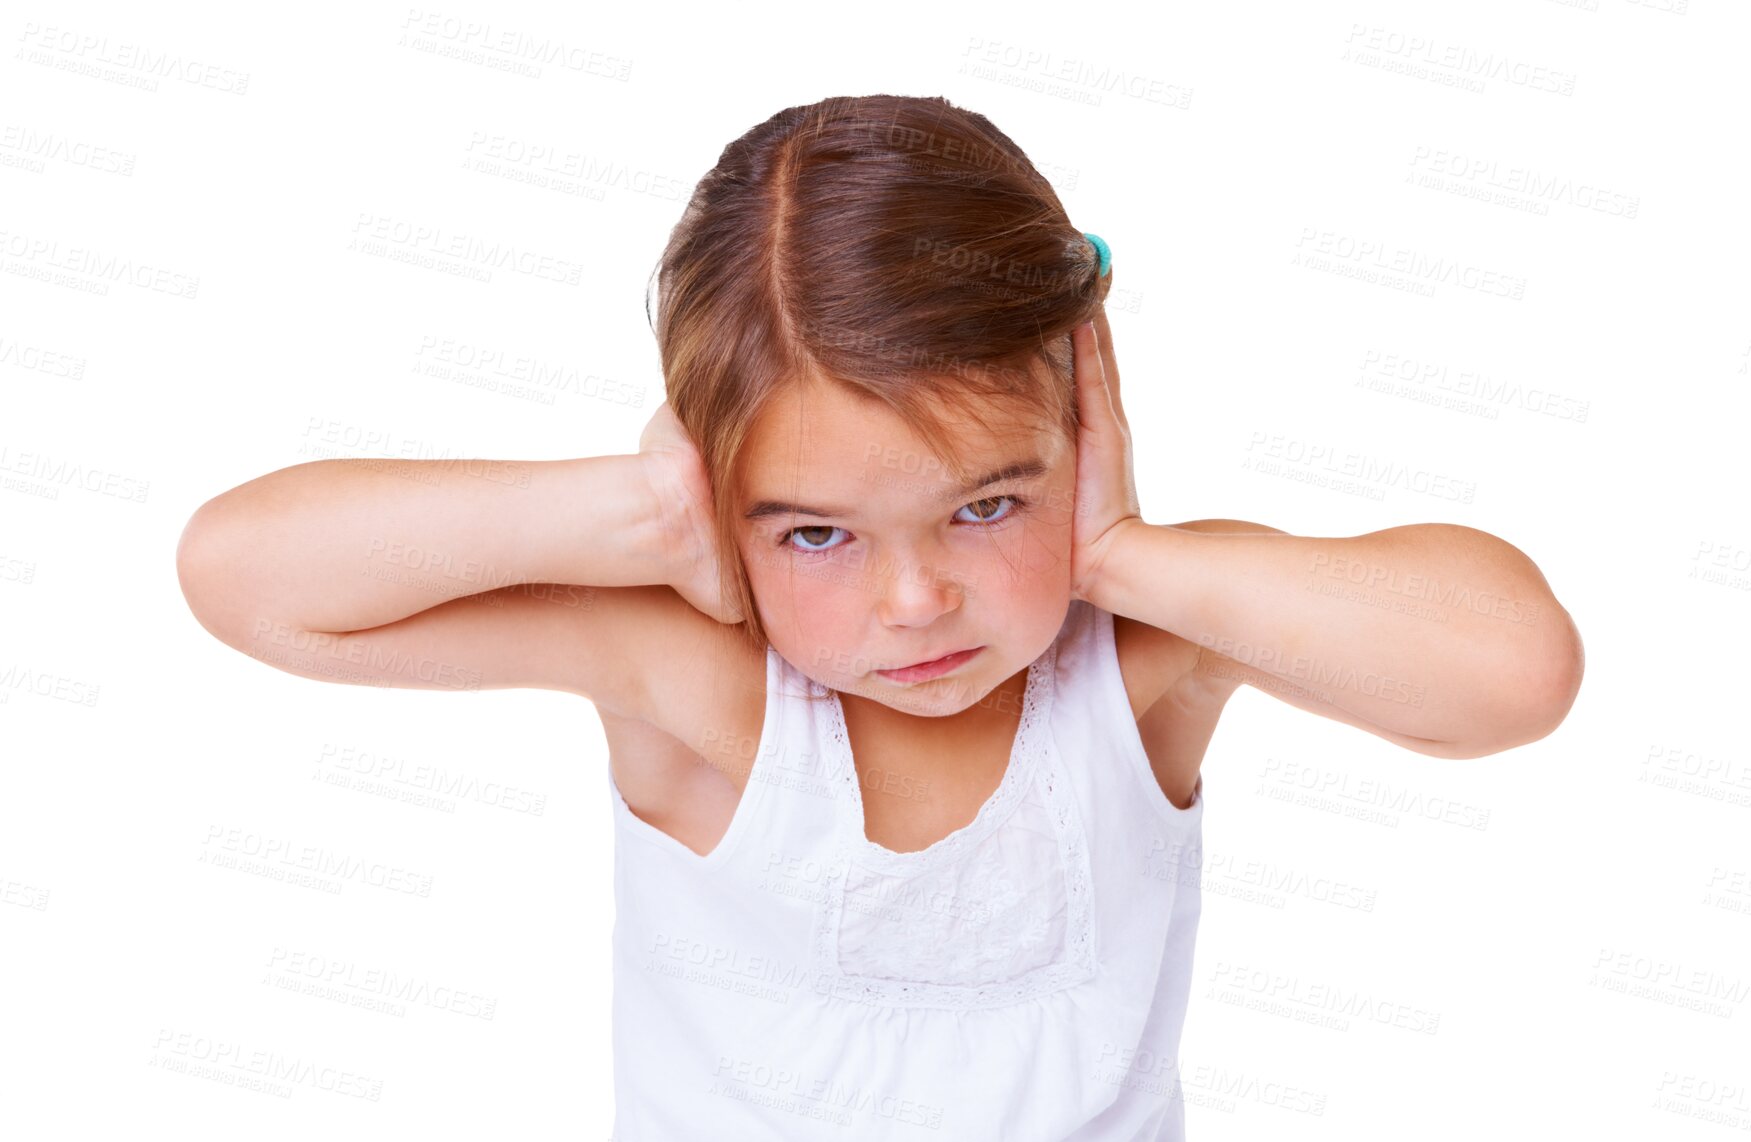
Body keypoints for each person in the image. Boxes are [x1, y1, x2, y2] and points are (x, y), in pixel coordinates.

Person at [176, 94, 1583, 1140]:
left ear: (1083, 429)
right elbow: (245, 574)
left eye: (987, 505)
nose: (914, 600)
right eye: (817, 531)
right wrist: (639, 513)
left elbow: (1512, 670)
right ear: (725, 499)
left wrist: (1128, 555)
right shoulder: (702, 685)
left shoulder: (1142, 660)